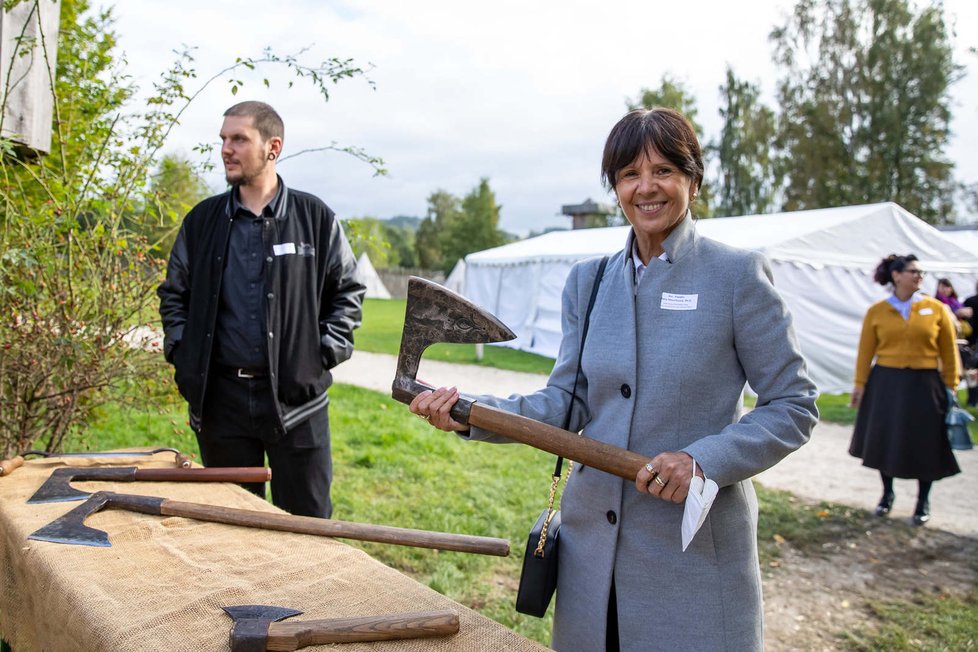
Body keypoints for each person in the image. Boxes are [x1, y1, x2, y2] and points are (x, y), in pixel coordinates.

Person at [410, 108, 818, 651]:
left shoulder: (736, 276)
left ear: (692, 180)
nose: (646, 188)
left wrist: (703, 460)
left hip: (689, 553)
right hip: (591, 553)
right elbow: (566, 402)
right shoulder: (589, 281)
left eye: (664, 171)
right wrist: (466, 409)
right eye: (629, 174)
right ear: (615, 188)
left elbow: (793, 404)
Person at [157, 101, 365, 518]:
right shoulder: (202, 221)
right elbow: (174, 294)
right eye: (223, 140)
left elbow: (348, 291)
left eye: (239, 139)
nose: (226, 149)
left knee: (307, 528)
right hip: (222, 404)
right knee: (234, 527)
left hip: (297, 404)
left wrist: (319, 355)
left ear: (273, 147)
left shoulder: (315, 218)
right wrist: (182, 353)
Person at [849, 255, 960, 526]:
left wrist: (951, 385)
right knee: (886, 439)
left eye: (921, 272)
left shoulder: (936, 309)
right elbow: (866, 352)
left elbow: (949, 350)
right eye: (913, 271)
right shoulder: (877, 311)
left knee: (927, 443)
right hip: (886, 383)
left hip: (925, 384)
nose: (919, 276)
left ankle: (923, 501)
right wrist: (860, 385)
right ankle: (887, 494)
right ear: (897, 275)